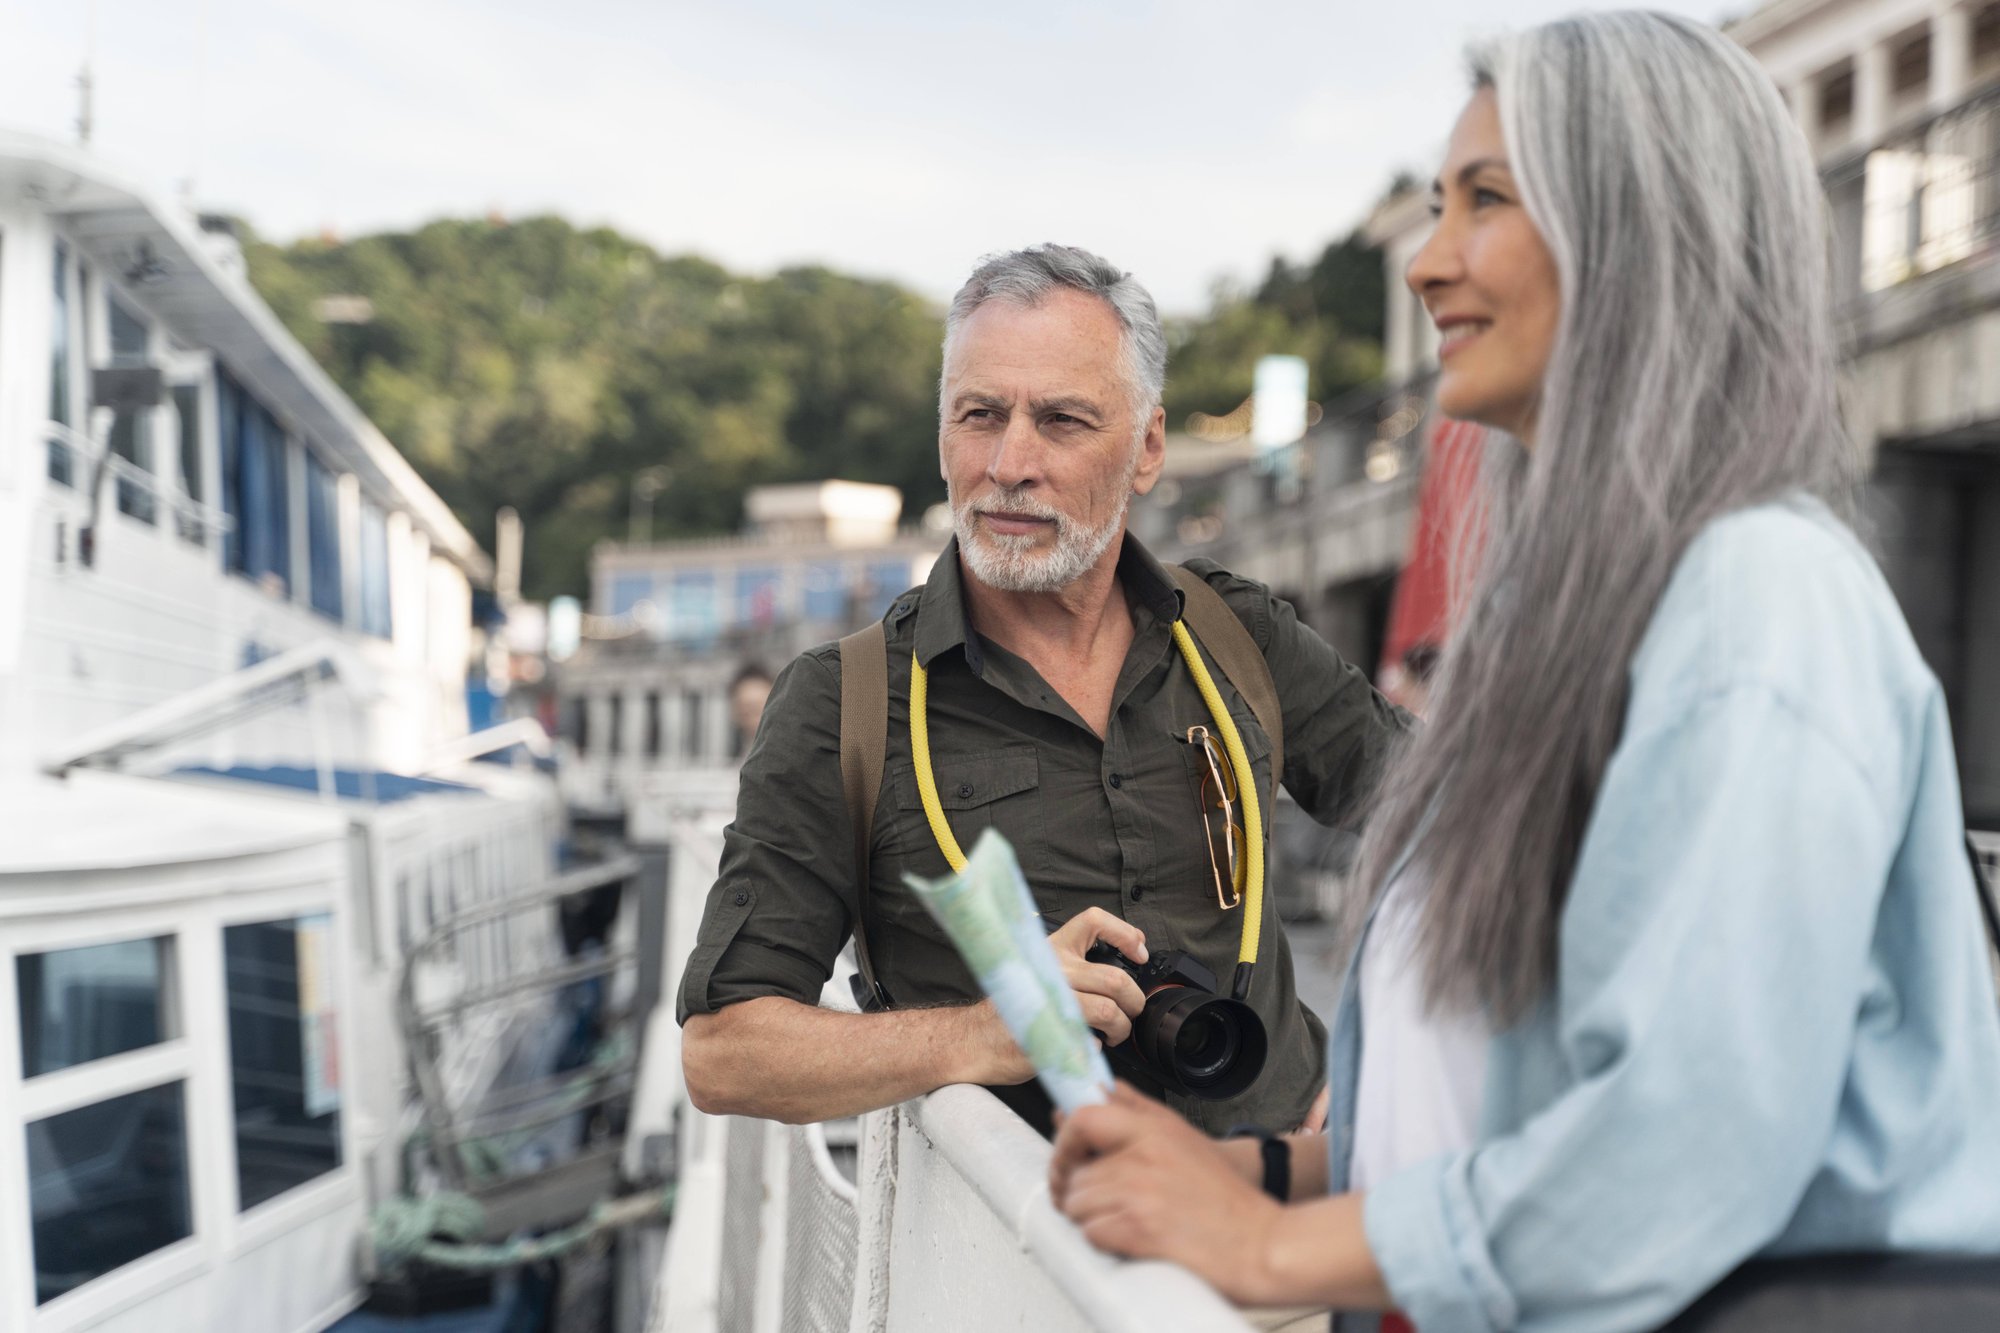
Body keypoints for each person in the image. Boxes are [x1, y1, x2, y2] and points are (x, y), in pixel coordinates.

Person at [1051, 13, 2000, 1331]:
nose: (1429, 264)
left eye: (1486, 201)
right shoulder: (1553, 625)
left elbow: (1679, 1144)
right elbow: (1507, 1097)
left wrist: (1266, 1256)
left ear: (1641, 227)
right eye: (1437, 207)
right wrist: (1266, 1176)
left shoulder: (1754, 602)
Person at [678, 244, 1409, 1134]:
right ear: (942, 434)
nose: (1009, 461)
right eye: (980, 414)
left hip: (1287, 1219)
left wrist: (1391, 1060)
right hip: (1036, 1258)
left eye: (1062, 420)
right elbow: (725, 1051)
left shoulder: (1234, 634)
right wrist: (982, 1033)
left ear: (1146, 450)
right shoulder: (846, 703)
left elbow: (1457, 818)